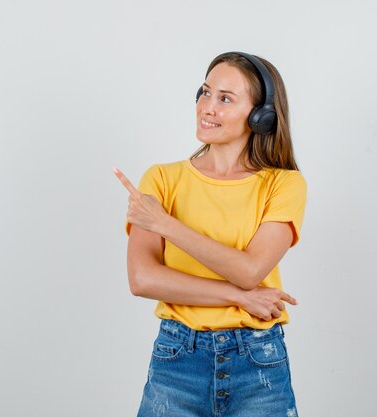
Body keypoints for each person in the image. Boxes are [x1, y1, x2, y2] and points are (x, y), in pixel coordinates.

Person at [113, 51, 307, 417]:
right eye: (204, 92)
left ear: (260, 116)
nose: (207, 107)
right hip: (177, 358)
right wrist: (239, 297)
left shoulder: (285, 184)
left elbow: (250, 271)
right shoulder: (161, 178)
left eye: (225, 98)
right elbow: (142, 279)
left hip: (258, 362)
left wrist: (165, 224)